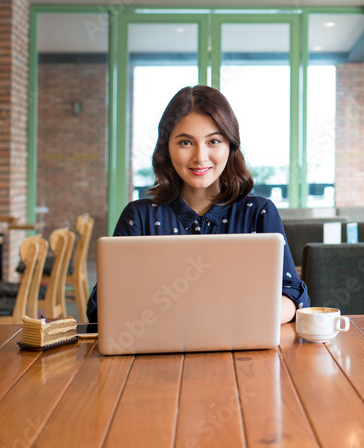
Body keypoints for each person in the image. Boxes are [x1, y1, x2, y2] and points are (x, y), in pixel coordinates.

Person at [86, 85, 309, 323]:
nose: (200, 157)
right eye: (185, 142)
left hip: (242, 349)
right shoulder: (139, 216)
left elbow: (292, 294)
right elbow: (102, 306)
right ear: (166, 148)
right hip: (156, 351)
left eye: (213, 141)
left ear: (230, 146)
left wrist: (240, 318)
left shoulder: (259, 213)